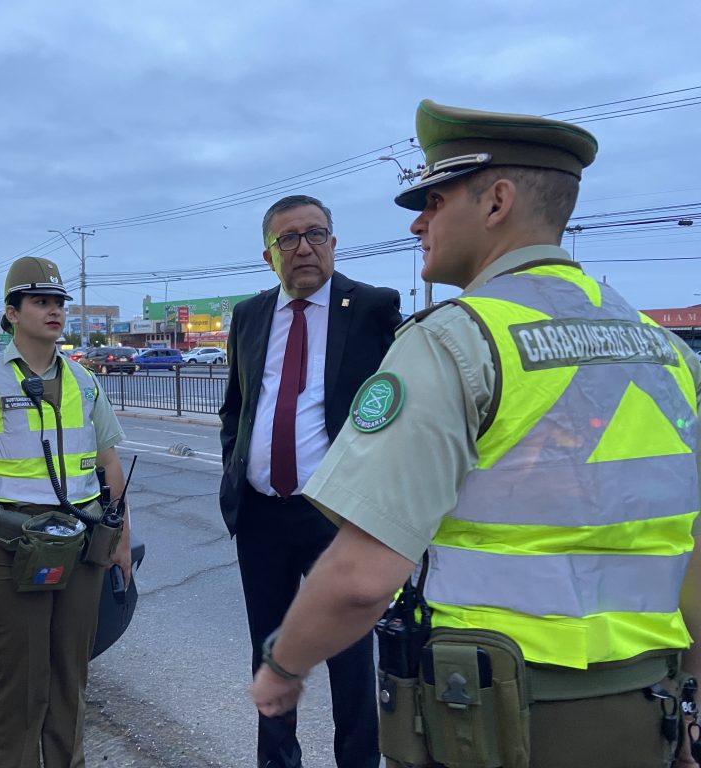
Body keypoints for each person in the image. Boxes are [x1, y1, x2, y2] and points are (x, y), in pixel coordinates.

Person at [251, 100, 701, 768]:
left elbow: (361, 579)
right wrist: (689, 707)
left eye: (433, 200)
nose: (418, 222)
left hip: (490, 719)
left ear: (496, 202)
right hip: (641, 717)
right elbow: (690, 551)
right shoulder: (669, 354)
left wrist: (282, 667)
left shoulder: (458, 342)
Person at [220, 194, 401, 767]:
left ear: (333, 242)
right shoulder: (250, 315)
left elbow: (400, 406)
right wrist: (235, 470)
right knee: (270, 651)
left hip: (336, 516)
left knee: (349, 654)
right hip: (261, 514)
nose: (304, 247)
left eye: (315, 233)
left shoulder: (371, 307)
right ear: (268, 255)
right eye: (288, 239)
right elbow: (235, 407)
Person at [0, 256, 130, 768]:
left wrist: (120, 543)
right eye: (40, 302)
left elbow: (110, 463)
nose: (54, 311)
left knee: (71, 676)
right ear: (12, 312)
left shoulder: (84, 381)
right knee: (20, 682)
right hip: (7, 548)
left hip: (82, 545)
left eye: (58, 302)